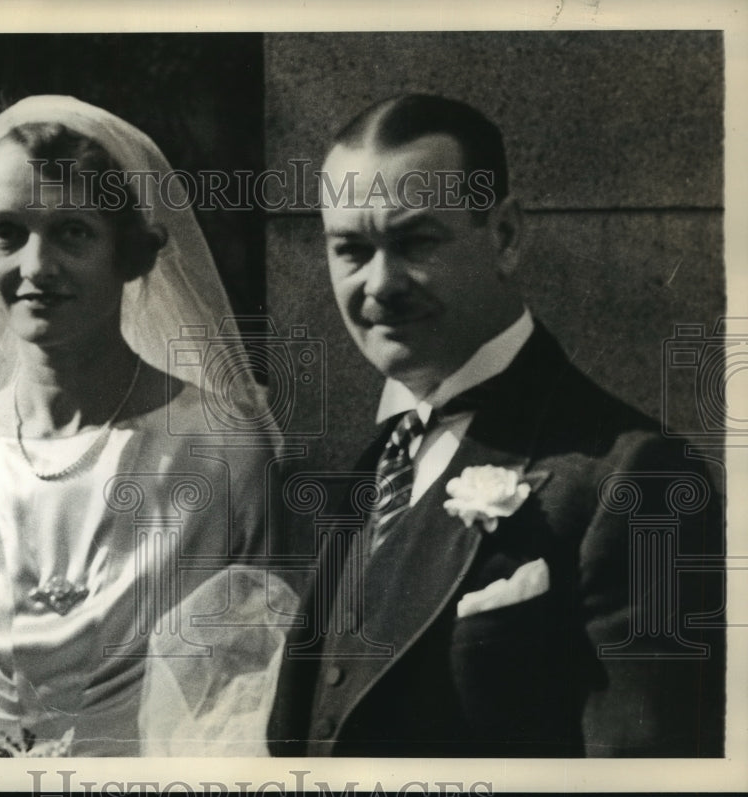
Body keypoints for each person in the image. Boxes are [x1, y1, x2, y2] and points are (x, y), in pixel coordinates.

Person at [0, 95, 290, 757]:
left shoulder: (223, 449)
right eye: (7, 232)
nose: (36, 267)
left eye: (72, 231)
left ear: (127, 251)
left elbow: (247, 711)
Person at [268, 94, 725, 757]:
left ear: (506, 235)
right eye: (352, 249)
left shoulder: (631, 478)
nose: (381, 283)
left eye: (416, 240)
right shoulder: (368, 467)